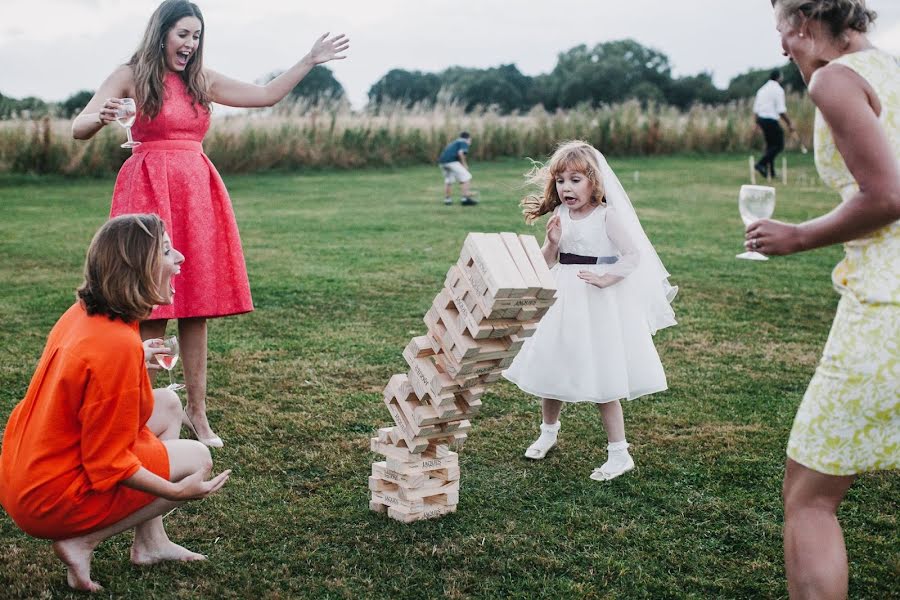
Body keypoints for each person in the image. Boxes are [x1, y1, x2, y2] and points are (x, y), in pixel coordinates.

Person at [71, 0, 349, 447]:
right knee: (150, 305)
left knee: (196, 302)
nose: (191, 44)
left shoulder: (201, 79)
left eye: (196, 36)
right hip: (146, 191)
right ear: (161, 32)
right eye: (183, 34)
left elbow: (264, 95)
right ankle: (148, 415)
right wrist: (100, 118)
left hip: (197, 189)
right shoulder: (129, 74)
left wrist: (308, 60)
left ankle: (198, 416)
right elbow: (78, 127)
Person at [748, 2, 899, 598]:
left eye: (782, 31)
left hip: (886, 311)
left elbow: (887, 195)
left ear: (805, 24)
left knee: (808, 499)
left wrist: (798, 236)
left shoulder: (837, 79)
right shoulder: (893, 70)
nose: (783, 47)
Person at [0, 214, 231, 593]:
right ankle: (81, 542)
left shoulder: (84, 315)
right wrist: (175, 492)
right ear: (139, 268)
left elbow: (94, 386)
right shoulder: (115, 346)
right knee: (198, 458)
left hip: (27, 471)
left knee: (170, 406)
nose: (181, 259)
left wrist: (136, 357)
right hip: (49, 496)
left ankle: (151, 543)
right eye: (169, 251)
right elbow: (107, 462)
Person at [503, 141, 677, 481]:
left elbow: (632, 256)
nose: (566, 188)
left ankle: (619, 452)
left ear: (594, 181)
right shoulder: (560, 215)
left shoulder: (607, 216)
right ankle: (548, 432)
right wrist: (552, 244)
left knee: (602, 372)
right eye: (560, 181)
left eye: (575, 180)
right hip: (562, 296)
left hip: (598, 299)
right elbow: (546, 262)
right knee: (552, 364)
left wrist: (607, 278)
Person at [753, 69, 795, 179]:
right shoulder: (778, 90)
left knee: (770, 146)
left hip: (761, 120)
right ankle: (761, 164)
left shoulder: (762, 89)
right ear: (779, 77)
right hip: (770, 119)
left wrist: (756, 124)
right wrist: (789, 123)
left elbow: (756, 109)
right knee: (779, 145)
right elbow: (781, 110)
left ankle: (771, 172)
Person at [438, 131, 478, 206]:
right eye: (470, 140)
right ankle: (465, 199)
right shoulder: (464, 142)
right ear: (468, 138)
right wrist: (465, 165)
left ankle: (447, 200)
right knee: (467, 177)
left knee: (449, 180)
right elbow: (460, 153)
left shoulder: (455, 142)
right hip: (451, 162)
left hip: (442, 162)